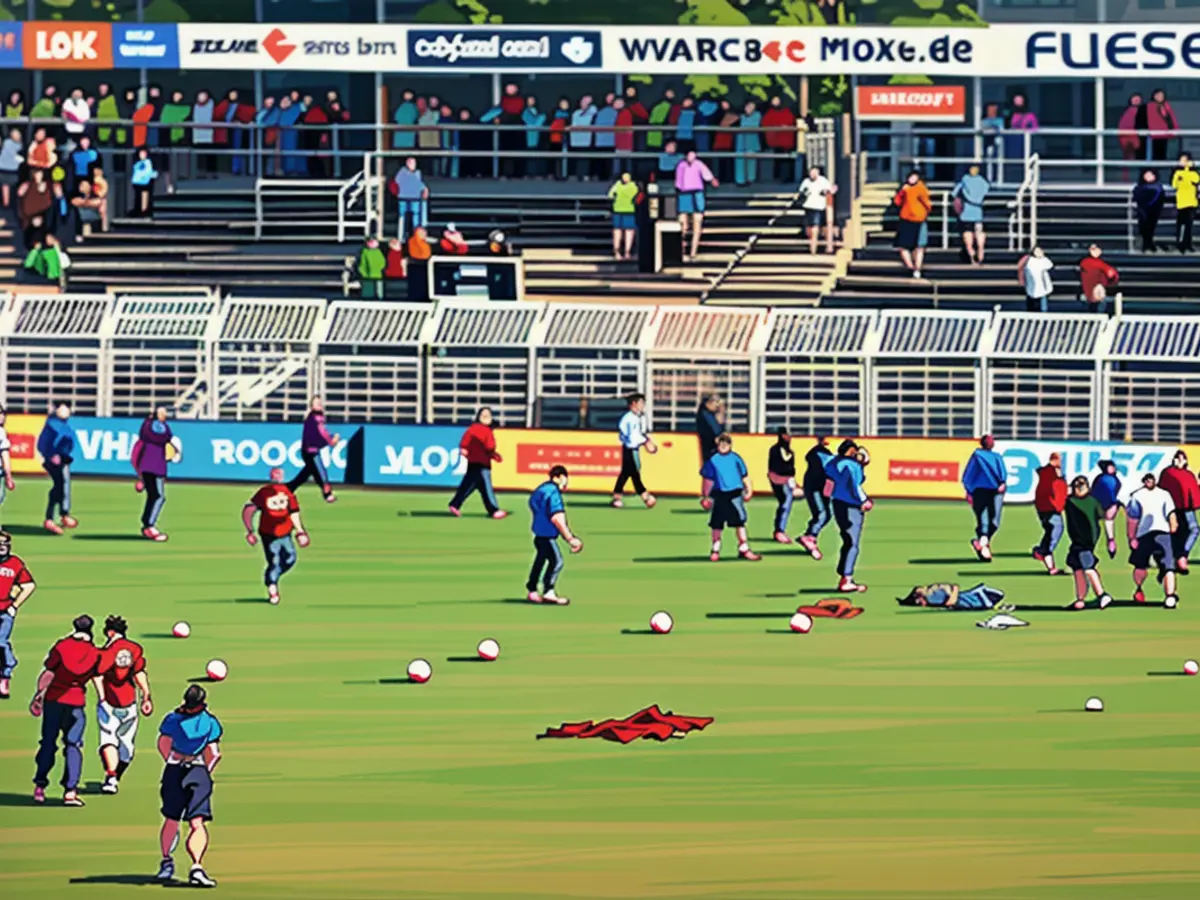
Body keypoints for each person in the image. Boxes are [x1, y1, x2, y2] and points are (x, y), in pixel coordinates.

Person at [30, 614, 101, 807]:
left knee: (48, 744)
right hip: (76, 703)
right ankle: (70, 791)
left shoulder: (61, 646)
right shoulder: (94, 652)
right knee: (73, 745)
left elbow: (49, 673)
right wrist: (102, 699)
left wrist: (38, 695)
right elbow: (97, 677)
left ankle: (40, 787)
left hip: (54, 702)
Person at [156, 684, 222, 887]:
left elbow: (163, 744)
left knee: (171, 819)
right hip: (198, 770)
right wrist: (205, 772)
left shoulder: (172, 719)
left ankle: (167, 862)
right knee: (197, 822)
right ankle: (196, 867)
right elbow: (214, 753)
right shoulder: (210, 722)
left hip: (174, 769)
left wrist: (172, 761)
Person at [91, 615, 152, 794]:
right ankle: (113, 777)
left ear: (109, 632)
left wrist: (102, 697)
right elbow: (139, 673)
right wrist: (146, 696)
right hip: (130, 703)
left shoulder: (105, 652)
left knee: (108, 739)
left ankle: (111, 777)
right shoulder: (135, 649)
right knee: (126, 748)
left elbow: (97, 674)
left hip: (109, 703)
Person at [242, 468, 310, 605]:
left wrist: (300, 531)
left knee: (290, 558)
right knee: (274, 560)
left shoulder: (287, 492)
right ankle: (272, 586)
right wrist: (250, 530)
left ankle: (272, 576)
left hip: (285, 532)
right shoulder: (264, 492)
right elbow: (249, 509)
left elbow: (294, 513)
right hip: (269, 534)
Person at [526, 465, 582, 605]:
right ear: (558, 477)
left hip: (538, 534)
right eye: (565, 479)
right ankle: (548, 591)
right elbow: (556, 517)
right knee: (556, 561)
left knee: (540, 560)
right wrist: (570, 538)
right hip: (547, 535)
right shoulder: (553, 493)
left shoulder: (540, 490)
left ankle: (532, 589)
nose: (566, 482)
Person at [700, 433, 760, 563]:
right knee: (717, 524)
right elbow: (707, 480)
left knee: (739, 522)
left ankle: (744, 548)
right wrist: (705, 497)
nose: (723, 446)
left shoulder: (736, 459)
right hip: (719, 494)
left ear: (730, 445)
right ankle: (715, 549)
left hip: (735, 494)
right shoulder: (713, 460)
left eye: (726, 444)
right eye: (721, 443)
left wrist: (749, 490)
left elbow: (744, 475)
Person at [825, 440, 872, 592]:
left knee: (847, 539)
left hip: (837, 502)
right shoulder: (851, 466)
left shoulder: (833, 463)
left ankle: (844, 574)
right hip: (851, 505)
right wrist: (864, 500)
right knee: (852, 542)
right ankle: (846, 578)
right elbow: (855, 485)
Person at [1126, 471, 1179, 606]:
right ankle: (1139, 589)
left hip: (1162, 532)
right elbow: (1133, 518)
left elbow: (1170, 512)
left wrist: (1173, 524)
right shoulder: (1137, 495)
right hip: (1144, 533)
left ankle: (1170, 595)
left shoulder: (1163, 494)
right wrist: (1132, 537)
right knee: (1140, 565)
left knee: (1168, 566)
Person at [1064, 476, 1114, 611]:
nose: (1079, 489)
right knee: (1078, 569)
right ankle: (1080, 599)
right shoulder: (1070, 501)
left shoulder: (1091, 502)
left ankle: (1102, 594)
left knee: (1088, 568)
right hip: (1076, 541)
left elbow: (1101, 516)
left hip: (1085, 541)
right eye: (1077, 486)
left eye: (1082, 486)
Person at [449, 407, 505, 519]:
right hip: (482, 463)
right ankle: (494, 509)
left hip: (473, 461)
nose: (486, 417)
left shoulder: (473, 429)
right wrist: (493, 454)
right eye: (483, 415)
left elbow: (465, 442)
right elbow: (489, 446)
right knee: (486, 487)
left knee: (468, 485)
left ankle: (455, 504)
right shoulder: (485, 431)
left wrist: (464, 449)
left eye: (487, 415)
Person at [0, 530, 36, 701]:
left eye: (5, 544)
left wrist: (14, 605)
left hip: (5, 610)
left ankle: (5, 675)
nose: (2, 547)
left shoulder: (15, 564)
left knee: (1, 642)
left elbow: (28, 585)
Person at [962, 434, 1007, 561]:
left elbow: (1003, 473)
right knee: (984, 521)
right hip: (980, 491)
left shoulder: (997, 457)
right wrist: (970, 491)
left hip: (995, 491)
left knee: (995, 522)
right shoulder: (977, 457)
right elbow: (969, 475)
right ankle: (983, 544)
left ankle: (982, 542)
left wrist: (1002, 483)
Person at [132, 406, 173, 541]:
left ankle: (147, 524)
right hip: (152, 466)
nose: (164, 415)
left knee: (154, 496)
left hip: (154, 466)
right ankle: (149, 525)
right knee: (158, 496)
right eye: (161, 412)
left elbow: (165, 437)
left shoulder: (158, 426)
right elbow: (161, 437)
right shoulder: (151, 426)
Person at [288, 396, 339, 502]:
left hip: (308, 450)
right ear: (312, 406)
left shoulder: (313, 416)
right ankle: (327, 494)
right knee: (321, 472)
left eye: (320, 402)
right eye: (316, 403)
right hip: (310, 451)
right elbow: (322, 432)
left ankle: (288, 489)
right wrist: (331, 441)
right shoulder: (316, 417)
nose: (319, 404)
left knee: (306, 474)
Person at [38, 403, 78, 535]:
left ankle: (63, 514)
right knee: (59, 486)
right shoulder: (52, 425)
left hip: (63, 459)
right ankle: (51, 517)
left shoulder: (63, 425)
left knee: (64, 485)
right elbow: (43, 444)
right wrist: (51, 455)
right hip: (54, 460)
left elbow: (68, 442)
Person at [612, 392, 657, 509]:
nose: (643, 405)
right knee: (633, 474)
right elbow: (632, 437)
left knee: (627, 473)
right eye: (641, 403)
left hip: (633, 449)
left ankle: (617, 496)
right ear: (633, 404)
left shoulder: (637, 417)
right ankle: (645, 496)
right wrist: (645, 442)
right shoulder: (629, 419)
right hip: (630, 448)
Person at [1159, 449, 1200, 573]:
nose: (1180, 461)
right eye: (1178, 458)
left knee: (1193, 530)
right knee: (1176, 532)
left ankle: (1182, 554)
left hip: (1187, 508)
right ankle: (1177, 557)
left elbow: (1193, 491)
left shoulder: (1188, 475)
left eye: (1182, 458)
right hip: (1173, 509)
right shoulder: (1168, 473)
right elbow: (1163, 489)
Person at [675, 149, 718, 262]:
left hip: (697, 194)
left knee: (697, 222)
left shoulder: (698, 164)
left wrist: (712, 179)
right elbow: (678, 182)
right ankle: (682, 249)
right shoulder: (681, 165)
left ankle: (693, 252)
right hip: (684, 195)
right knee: (682, 224)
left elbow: (707, 174)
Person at [797, 436, 834, 560]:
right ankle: (809, 536)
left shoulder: (828, 455)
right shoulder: (818, 454)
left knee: (826, 514)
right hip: (814, 487)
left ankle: (810, 537)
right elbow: (824, 471)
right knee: (822, 513)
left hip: (822, 487)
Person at [1032, 452, 1068, 575]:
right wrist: (1059, 505)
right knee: (1055, 530)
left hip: (1043, 506)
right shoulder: (1053, 474)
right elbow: (1058, 490)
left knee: (1050, 531)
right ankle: (1043, 551)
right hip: (1050, 507)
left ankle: (1050, 565)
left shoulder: (1045, 473)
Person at [893, 169, 932, 279]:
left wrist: (923, 213)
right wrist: (902, 192)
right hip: (907, 219)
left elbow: (927, 204)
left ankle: (916, 268)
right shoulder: (905, 189)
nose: (912, 179)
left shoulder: (920, 189)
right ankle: (912, 268)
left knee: (918, 246)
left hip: (918, 219)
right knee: (905, 246)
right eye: (911, 177)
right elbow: (897, 202)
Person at [952, 163, 990, 265]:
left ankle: (971, 253)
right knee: (979, 232)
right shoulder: (983, 182)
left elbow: (954, 193)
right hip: (979, 213)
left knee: (967, 233)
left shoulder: (964, 180)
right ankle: (981, 251)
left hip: (966, 213)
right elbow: (987, 193)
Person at [767, 428, 797, 544]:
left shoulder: (790, 452)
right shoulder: (774, 450)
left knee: (785, 504)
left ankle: (780, 529)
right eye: (785, 435)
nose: (788, 437)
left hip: (787, 481)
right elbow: (774, 467)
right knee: (785, 504)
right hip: (777, 480)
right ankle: (779, 530)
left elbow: (791, 468)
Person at [799, 166, 835, 255]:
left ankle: (813, 248)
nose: (813, 174)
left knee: (815, 226)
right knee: (809, 228)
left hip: (818, 206)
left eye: (815, 172)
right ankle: (812, 242)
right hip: (808, 206)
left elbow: (829, 191)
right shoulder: (806, 182)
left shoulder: (823, 181)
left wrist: (826, 192)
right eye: (811, 172)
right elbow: (801, 192)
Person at [695, 393, 723, 507]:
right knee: (711, 472)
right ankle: (707, 497)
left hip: (710, 448)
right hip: (710, 448)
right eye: (715, 402)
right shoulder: (705, 415)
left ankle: (709, 497)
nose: (717, 405)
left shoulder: (708, 415)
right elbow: (716, 432)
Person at [1091, 459, 1123, 559]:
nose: (1113, 468)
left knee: (1108, 524)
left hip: (1109, 504)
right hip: (1100, 504)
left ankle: (1111, 544)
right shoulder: (1103, 479)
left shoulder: (1112, 479)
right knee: (1096, 527)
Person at [392, 157, 428, 243]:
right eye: (410, 163)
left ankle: (417, 236)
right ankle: (401, 236)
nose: (412, 165)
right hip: (403, 198)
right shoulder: (402, 172)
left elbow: (417, 183)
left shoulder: (418, 173)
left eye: (413, 163)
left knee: (416, 217)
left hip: (415, 198)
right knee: (402, 217)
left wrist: (424, 189)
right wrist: (424, 188)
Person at [762, 96, 797, 182]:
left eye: (777, 100)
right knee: (776, 160)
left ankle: (785, 178)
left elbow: (792, 123)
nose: (775, 103)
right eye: (774, 101)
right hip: (775, 142)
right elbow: (765, 124)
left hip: (786, 141)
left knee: (785, 160)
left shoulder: (787, 112)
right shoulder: (769, 113)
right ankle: (777, 177)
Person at [608, 171, 640, 261]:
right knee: (626, 231)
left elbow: (610, 195)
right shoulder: (634, 186)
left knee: (621, 231)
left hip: (622, 210)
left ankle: (621, 252)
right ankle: (624, 252)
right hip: (626, 210)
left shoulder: (618, 185)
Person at [1133, 168, 1166, 253]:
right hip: (1143, 210)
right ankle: (1145, 244)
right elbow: (1137, 198)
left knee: (1151, 227)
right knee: (1144, 227)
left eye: (1150, 175)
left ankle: (1150, 243)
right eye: (1147, 175)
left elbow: (1161, 199)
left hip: (1154, 210)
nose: (1148, 177)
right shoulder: (1139, 187)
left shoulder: (1159, 188)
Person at [1078, 244, 1118, 314]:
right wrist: (1107, 269)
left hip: (1100, 290)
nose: (1095, 251)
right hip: (1089, 292)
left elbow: (1113, 275)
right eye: (1092, 249)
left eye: (1096, 249)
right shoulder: (1085, 262)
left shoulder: (1104, 262)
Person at [1171, 152, 1198, 253]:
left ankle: (1188, 244)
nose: (1183, 163)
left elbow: (1196, 180)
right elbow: (1174, 185)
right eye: (1182, 160)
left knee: (1189, 225)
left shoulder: (1194, 172)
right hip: (1181, 202)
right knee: (1180, 224)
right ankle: (1180, 244)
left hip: (1192, 202)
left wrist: (1189, 169)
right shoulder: (1177, 173)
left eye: (1185, 160)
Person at [1016, 244, 1054, 312]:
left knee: (1042, 304)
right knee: (1032, 303)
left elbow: (1050, 266)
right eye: (1036, 251)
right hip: (1031, 285)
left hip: (1043, 286)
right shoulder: (1029, 260)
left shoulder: (1044, 260)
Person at [568, 95, 599, 180]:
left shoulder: (594, 112)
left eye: (587, 102)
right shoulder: (576, 113)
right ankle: (578, 175)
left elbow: (594, 113)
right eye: (583, 101)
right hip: (576, 139)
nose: (584, 104)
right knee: (578, 158)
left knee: (586, 158)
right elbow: (574, 125)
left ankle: (586, 175)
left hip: (587, 139)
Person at [734, 100, 762, 186]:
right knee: (740, 160)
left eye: (753, 106)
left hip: (752, 139)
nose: (750, 108)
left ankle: (750, 179)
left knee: (751, 161)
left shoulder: (757, 115)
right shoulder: (740, 116)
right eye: (749, 106)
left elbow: (756, 125)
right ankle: (740, 180)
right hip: (741, 140)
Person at [1146, 88, 1176, 162]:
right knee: (1153, 155)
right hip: (1153, 135)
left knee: (1162, 155)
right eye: (1158, 95)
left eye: (1161, 95)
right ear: (1154, 96)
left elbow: (1170, 119)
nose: (1160, 97)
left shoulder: (1166, 106)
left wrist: (1173, 130)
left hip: (1164, 134)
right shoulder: (1150, 106)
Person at [1117, 94, 1144, 172]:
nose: (1136, 101)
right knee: (1128, 158)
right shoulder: (1129, 111)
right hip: (1128, 137)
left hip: (1136, 137)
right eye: (1134, 99)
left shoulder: (1141, 111)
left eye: (1138, 100)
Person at [131, 146, 157, 217]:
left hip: (146, 183)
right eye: (141, 153)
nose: (142, 155)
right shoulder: (137, 163)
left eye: (144, 153)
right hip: (137, 184)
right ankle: (138, 210)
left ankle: (145, 211)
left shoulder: (149, 162)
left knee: (145, 197)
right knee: (138, 197)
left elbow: (153, 172)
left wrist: (151, 179)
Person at [0, 126, 22, 209]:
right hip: (2, 169)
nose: (15, 135)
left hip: (13, 171)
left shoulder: (22, 146)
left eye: (17, 134)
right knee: (5, 187)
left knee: (10, 189)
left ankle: (8, 205)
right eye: (13, 133)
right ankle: (5, 204)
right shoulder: (6, 141)